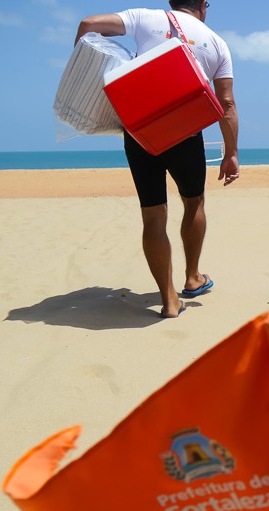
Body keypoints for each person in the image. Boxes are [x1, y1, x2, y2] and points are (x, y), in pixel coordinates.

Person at [75, 0, 240, 319]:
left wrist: (84, 75)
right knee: (194, 203)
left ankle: (169, 301)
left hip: (140, 132)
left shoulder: (145, 18)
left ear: (171, 1)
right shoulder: (216, 42)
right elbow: (227, 103)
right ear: (204, 5)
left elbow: (87, 24)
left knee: (153, 215)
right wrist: (231, 153)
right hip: (185, 134)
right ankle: (192, 278)